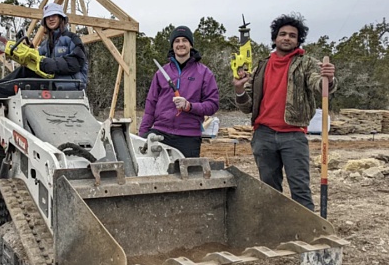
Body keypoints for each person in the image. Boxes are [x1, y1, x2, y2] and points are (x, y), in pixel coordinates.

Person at [233, 13, 337, 211]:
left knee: (300, 190)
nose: (287, 38)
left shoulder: (306, 63)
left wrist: (328, 79)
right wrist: (239, 90)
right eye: (283, 34)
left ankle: (307, 228)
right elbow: (247, 107)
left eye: (292, 35)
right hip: (263, 135)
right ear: (275, 38)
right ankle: (274, 227)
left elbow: (318, 85)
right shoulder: (261, 66)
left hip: (293, 135)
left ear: (298, 40)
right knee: (269, 191)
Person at [0, 2, 88, 98]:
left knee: (24, 83)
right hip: (52, 82)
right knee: (25, 70)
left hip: (69, 85)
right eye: (48, 17)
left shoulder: (72, 39)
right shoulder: (46, 44)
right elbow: (37, 59)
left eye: (54, 16)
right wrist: (25, 55)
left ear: (61, 18)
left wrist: (50, 64)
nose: (51, 19)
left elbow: (77, 62)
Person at [139, 25, 219, 157]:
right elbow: (150, 106)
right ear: (172, 45)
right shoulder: (161, 73)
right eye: (177, 41)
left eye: (184, 40)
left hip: (188, 136)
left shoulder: (204, 73)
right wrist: (142, 135)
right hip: (160, 133)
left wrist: (189, 106)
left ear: (191, 45)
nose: (181, 44)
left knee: (186, 171)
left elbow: (212, 105)